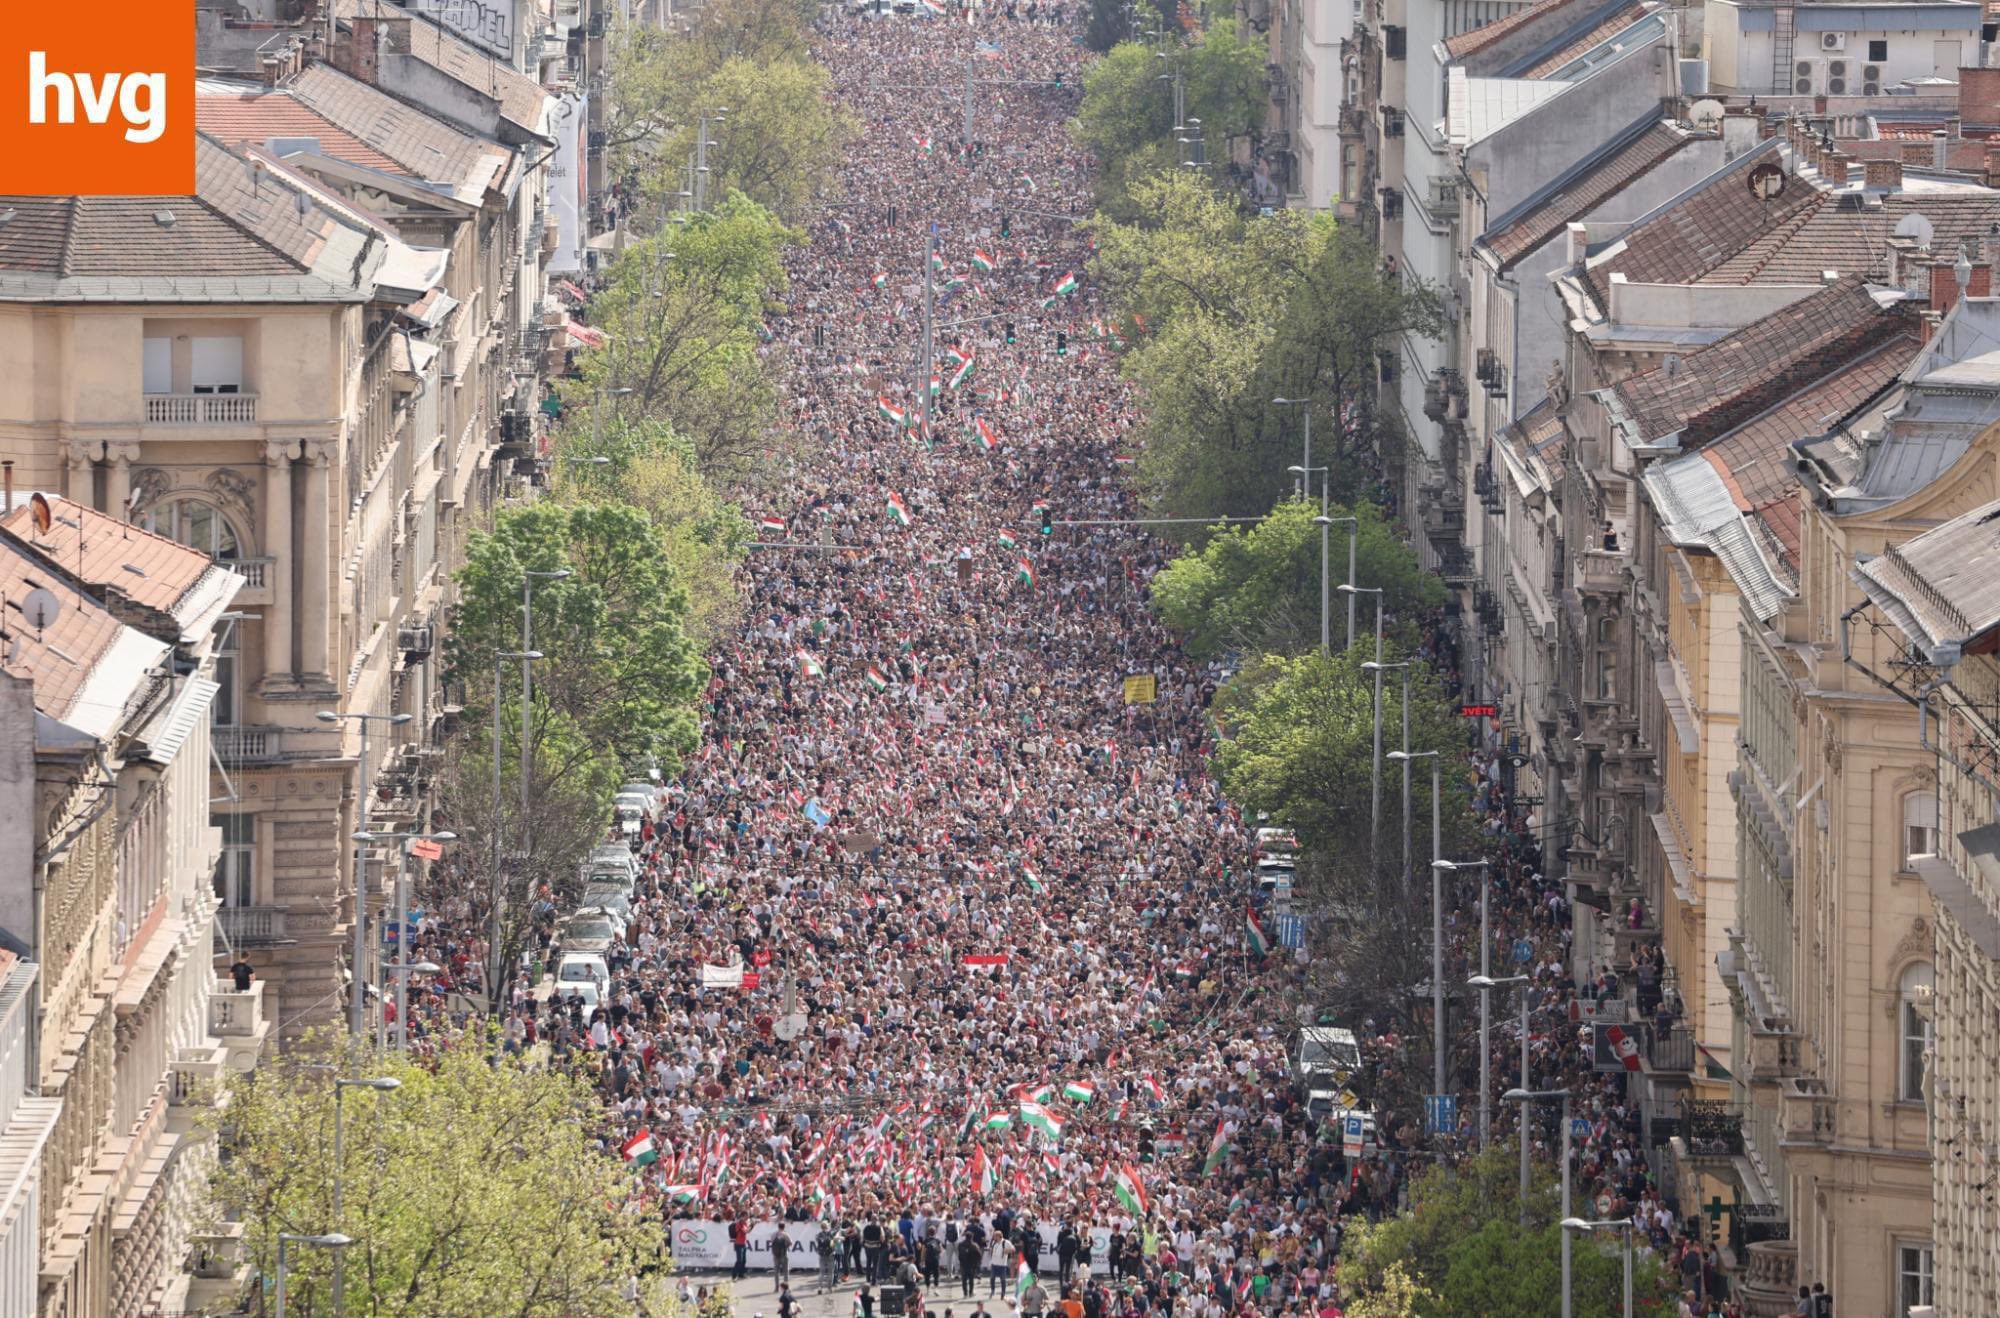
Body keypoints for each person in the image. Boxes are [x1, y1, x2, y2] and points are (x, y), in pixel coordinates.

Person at [774, 1224, 793, 1288]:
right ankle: (786, 1287)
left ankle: (776, 1287)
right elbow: (791, 1243)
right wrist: (786, 1246)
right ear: (784, 1227)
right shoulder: (785, 1234)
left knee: (776, 1271)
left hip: (776, 1254)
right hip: (784, 1254)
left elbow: (771, 1241)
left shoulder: (774, 1234)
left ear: (778, 1227)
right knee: (785, 1271)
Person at [733, 1217, 751, 1282]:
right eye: (745, 1216)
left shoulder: (744, 1223)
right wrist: (751, 1225)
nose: (746, 1218)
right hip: (738, 1244)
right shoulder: (739, 1223)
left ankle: (741, 1274)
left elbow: (747, 1231)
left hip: (743, 1243)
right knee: (739, 1260)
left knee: (743, 1260)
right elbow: (745, 1231)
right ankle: (734, 1276)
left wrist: (751, 1225)